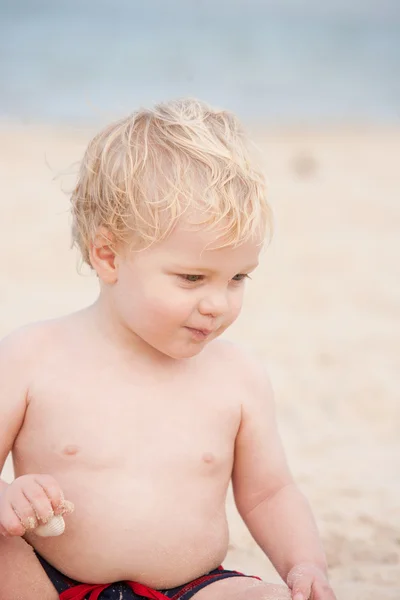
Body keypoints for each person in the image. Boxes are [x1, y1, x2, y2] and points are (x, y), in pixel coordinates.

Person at [0, 98, 336, 600]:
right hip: (46, 581)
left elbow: (270, 493)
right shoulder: (33, 355)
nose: (217, 304)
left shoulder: (237, 376)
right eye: (192, 278)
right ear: (109, 256)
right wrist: (8, 499)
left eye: (238, 278)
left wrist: (304, 563)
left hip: (190, 588)